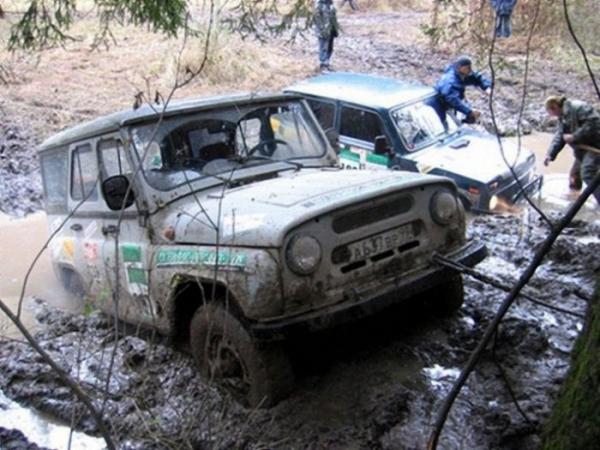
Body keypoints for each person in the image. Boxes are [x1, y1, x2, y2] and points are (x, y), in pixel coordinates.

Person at [543, 95, 600, 205]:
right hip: (583, 149)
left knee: (587, 173)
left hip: (595, 147)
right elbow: (560, 136)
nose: (551, 116)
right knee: (574, 176)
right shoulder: (563, 116)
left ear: (554, 107)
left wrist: (574, 136)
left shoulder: (579, 107)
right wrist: (550, 154)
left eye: (550, 112)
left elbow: (594, 124)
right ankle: (575, 202)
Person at [427, 56, 492, 128]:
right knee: (441, 126)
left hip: (448, 106)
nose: (470, 70)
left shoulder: (461, 74)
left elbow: (477, 77)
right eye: (468, 68)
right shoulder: (450, 80)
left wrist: (487, 87)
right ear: (462, 68)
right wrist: (469, 111)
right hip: (436, 107)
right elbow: (452, 99)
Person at [314, 0, 339, 71]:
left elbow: (334, 17)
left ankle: (327, 62)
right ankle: (322, 64)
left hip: (331, 29)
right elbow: (317, 18)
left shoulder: (331, 5)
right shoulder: (319, 5)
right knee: (323, 46)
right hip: (323, 30)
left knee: (330, 46)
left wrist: (334, 28)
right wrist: (323, 29)